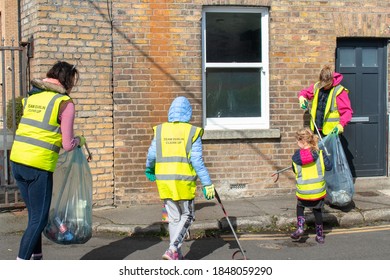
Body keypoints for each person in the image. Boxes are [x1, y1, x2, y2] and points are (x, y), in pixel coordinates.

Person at [10, 61, 86, 260]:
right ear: (66, 80)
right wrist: (80, 140)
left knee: (34, 217)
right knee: (39, 220)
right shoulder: (64, 103)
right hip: (38, 165)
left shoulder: (31, 98)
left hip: (17, 160)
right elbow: (68, 144)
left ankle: (37, 258)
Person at [145, 96, 215, 260]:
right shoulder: (192, 132)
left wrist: (149, 168)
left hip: (164, 181)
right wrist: (207, 183)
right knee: (188, 216)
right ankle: (172, 248)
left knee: (174, 218)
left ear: (171, 111)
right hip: (183, 181)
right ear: (188, 113)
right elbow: (196, 160)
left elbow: (152, 154)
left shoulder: (161, 130)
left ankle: (177, 254)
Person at [290, 127, 332, 244]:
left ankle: (300, 228)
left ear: (301, 141)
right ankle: (319, 235)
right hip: (318, 191)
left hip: (303, 191)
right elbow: (329, 167)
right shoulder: (320, 154)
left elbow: (295, 171)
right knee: (317, 211)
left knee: (300, 207)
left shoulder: (295, 158)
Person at [298, 65, 353, 136]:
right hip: (316, 130)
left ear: (331, 79)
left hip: (332, 132)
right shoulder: (318, 86)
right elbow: (305, 93)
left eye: (327, 84)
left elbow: (347, 111)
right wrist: (302, 98)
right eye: (323, 83)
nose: (324, 86)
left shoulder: (339, 91)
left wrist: (340, 125)